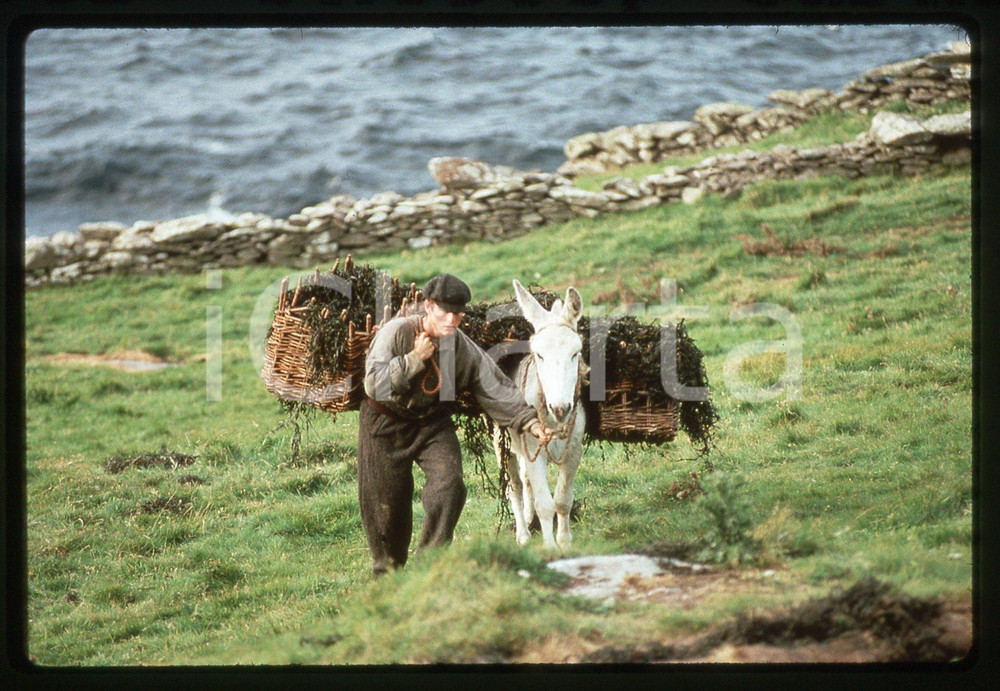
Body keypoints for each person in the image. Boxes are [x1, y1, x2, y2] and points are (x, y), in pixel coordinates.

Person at [358, 273, 552, 575]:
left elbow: (493, 385)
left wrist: (530, 422)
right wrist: (413, 359)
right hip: (384, 424)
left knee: (450, 485)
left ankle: (429, 566)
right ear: (428, 306)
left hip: (431, 425)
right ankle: (388, 579)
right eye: (445, 311)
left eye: (458, 314)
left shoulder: (460, 345)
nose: (452, 319)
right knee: (387, 510)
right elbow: (373, 385)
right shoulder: (396, 332)